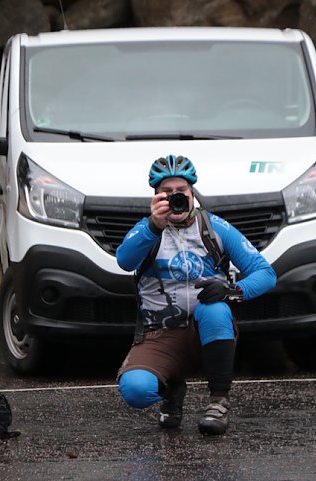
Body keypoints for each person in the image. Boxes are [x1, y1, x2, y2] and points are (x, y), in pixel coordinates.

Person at [115, 155, 276, 435]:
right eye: (166, 193)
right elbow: (124, 261)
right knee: (136, 390)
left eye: (181, 192)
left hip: (207, 328)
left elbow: (265, 273)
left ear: (193, 195)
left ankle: (218, 403)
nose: (174, 198)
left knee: (215, 310)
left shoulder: (214, 228)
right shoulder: (147, 230)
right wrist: (154, 225)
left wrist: (232, 291)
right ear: (155, 198)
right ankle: (171, 389)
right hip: (159, 334)